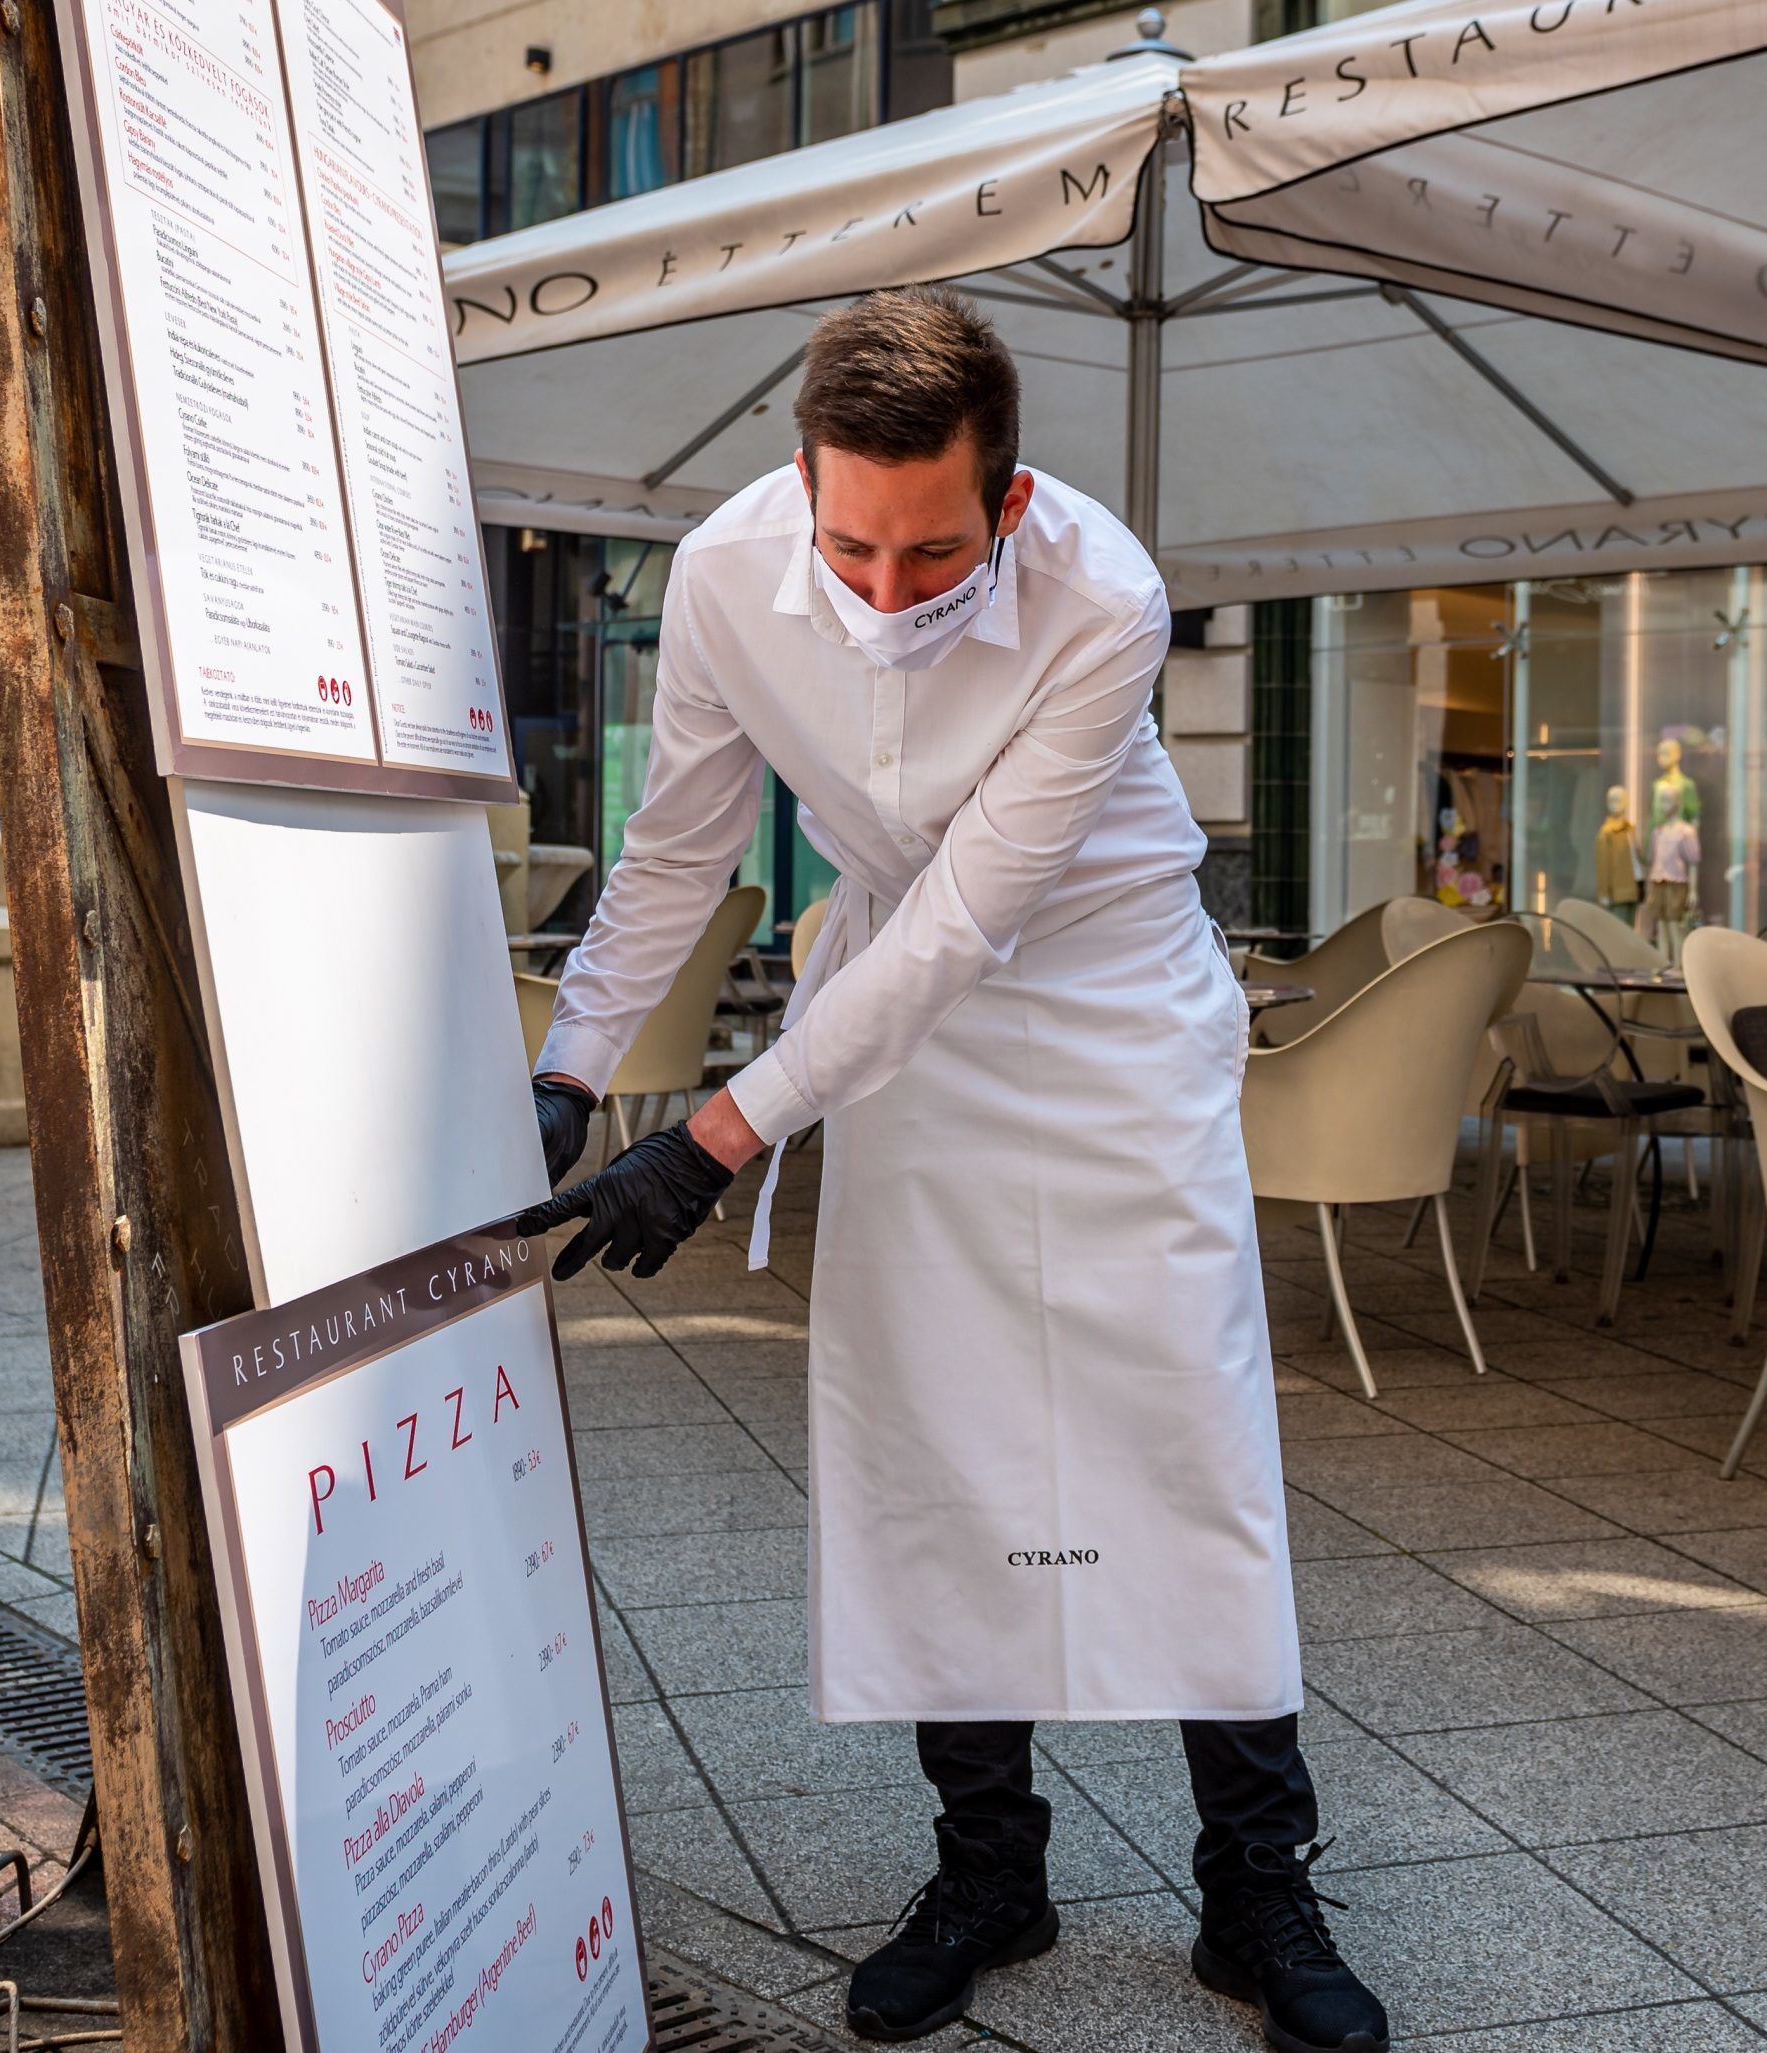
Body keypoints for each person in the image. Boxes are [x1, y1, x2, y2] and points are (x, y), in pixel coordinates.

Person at [516, 287, 1386, 2053]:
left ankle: (1253, 1884)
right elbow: (674, 846)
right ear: (798, 482)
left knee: (1183, 1426)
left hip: (1108, 1004)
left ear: (1008, 495)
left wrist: (712, 1136)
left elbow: (975, 920)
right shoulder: (718, 577)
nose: (881, 592)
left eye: (929, 555)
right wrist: (566, 1064)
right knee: (936, 1425)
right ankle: (988, 1867)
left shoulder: (1105, 592)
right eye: (848, 548)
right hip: (898, 1020)